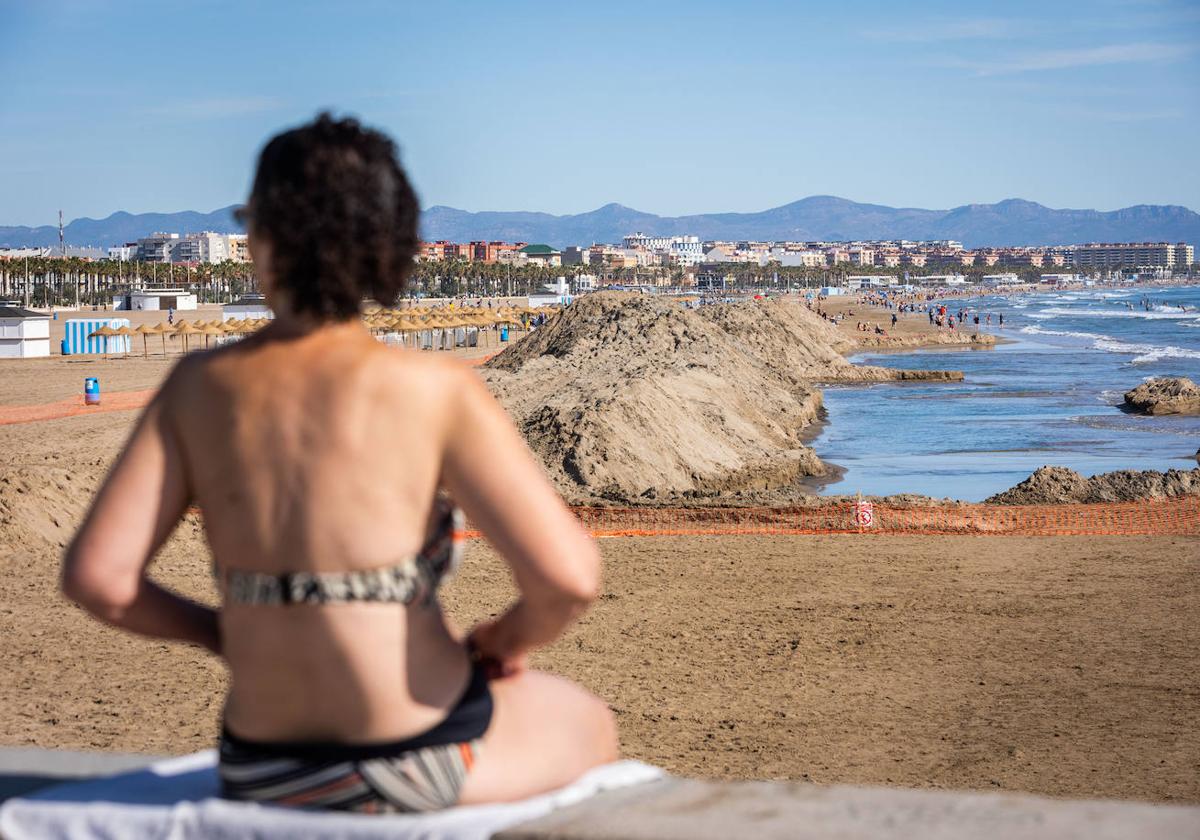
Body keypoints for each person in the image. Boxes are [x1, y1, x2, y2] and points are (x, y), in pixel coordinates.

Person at [61, 114, 617, 815]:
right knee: (590, 722)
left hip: (261, 763)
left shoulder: (197, 388)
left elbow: (99, 580)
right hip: (413, 755)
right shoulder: (435, 390)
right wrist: (499, 642)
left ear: (261, 239)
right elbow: (568, 578)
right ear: (392, 246)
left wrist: (221, 631)